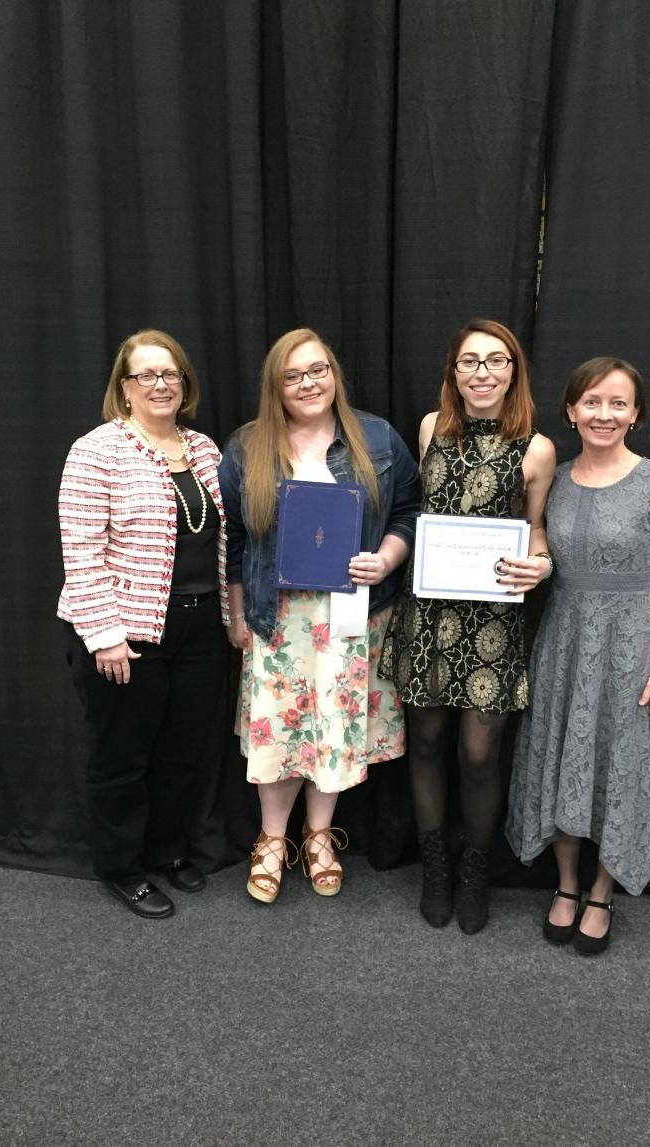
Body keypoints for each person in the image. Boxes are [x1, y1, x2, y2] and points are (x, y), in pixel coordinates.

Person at [218, 328, 421, 903]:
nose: (309, 383)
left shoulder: (377, 437)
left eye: (318, 370)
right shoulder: (246, 446)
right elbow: (232, 540)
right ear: (275, 386)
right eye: (293, 375)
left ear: (334, 374)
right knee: (279, 731)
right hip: (276, 617)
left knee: (333, 729)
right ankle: (271, 840)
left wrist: (387, 557)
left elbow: (409, 509)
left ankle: (319, 837)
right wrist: (234, 612)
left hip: (351, 617)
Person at [506, 357, 650, 954]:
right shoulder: (553, 477)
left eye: (618, 403)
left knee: (617, 761)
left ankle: (602, 890)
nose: (604, 414)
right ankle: (565, 885)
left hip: (633, 645)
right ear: (570, 410)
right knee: (562, 754)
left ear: (635, 414)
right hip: (563, 636)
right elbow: (538, 546)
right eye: (592, 402)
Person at [380, 319, 556, 933]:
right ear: (453, 372)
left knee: (479, 754)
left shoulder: (536, 446)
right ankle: (436, 867)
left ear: (514, 371)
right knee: (426, 742)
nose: (482, 372)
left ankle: (476, 871)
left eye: (495, 361)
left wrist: (541, 563)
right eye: (469, 362)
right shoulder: (432, 429)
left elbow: (536, 530)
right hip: (428, 612)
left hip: (493, 618)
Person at [58, 329, 230, 919]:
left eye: (171, 375)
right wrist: (104, 634)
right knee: (123, 758)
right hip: (127, 633)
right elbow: (80, 550)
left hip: (202, 628)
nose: (161, 385)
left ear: (185, 385)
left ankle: (167, 851)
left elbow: (222, 541)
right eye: (146, 375)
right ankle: (122, 868)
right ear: (124, 387)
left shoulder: (205, 449)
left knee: (182, 754)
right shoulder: (96, 450)